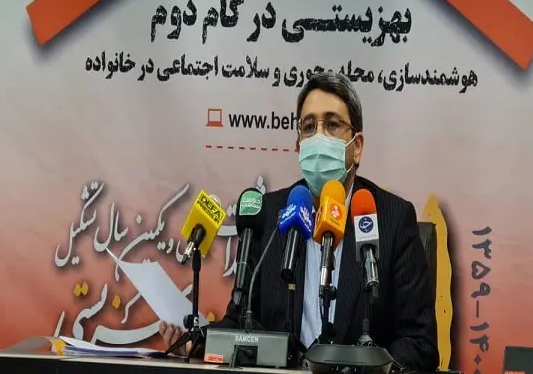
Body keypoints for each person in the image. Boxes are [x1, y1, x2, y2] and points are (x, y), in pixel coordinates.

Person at [159, 72, 439, 371]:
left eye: (332, 125)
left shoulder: (393, 219)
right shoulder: (270, 214)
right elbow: (241, 322)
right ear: (298, 145)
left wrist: (364, 368)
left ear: (356, 147)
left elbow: (419, 343)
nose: (319, 137)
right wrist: (196, 343)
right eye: (309, 127)